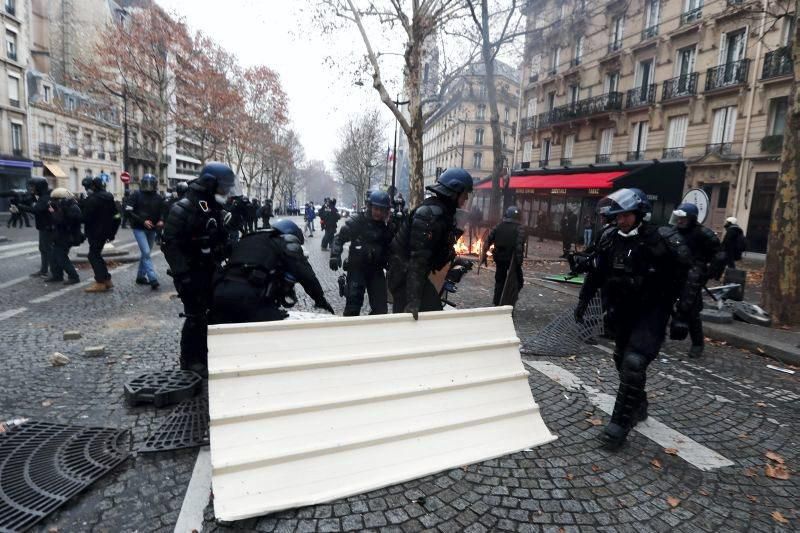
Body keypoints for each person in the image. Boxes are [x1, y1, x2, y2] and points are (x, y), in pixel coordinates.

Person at [574, 188, 696, 449]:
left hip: (653, 312)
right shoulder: (610, 239)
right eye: (617, 217)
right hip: (623, 312)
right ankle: (638, 404)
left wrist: (683, 315)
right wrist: (584, 302)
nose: (621, 221)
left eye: (626, 216)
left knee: (633, 362)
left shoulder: (663, 239)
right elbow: (596, 274)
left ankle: (618, 427)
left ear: (639, 213)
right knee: (622, 360)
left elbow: (689, 275)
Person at [162, 162, 236, 377]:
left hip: (209, 268)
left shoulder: (213, 207)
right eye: (223, 187)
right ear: (210, 184)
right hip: (190, 272)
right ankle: (189, 360)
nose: (226, 192)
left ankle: (204, 353)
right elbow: (169, 243)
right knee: (195, 316)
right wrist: (182, 273)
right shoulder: (184, 207)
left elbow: (220, 238)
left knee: (210, 313)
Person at [210, 219, 333, 324]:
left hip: (220, 294)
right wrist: (320, 299)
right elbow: (305, 274)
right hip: (251, 298)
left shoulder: (248, 238)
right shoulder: (286, 241)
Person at [388, 168, 473, 318]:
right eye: (465, 194)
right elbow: (417, 260)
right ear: (455, 191)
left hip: (414, 275)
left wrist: (456, 261)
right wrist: (413, 300)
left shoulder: (443, 213)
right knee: (405, 323)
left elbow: (436, 252)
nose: (466, 198)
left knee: (432, 316)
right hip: (403, 276)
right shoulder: (429, 215)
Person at [671, 203, 726, 358]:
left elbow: (720, 254)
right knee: (663, 306)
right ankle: (657, 337)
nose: (680, 220)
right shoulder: (674, 232)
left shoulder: (703, 233)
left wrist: (708, 273)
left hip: (692, 278)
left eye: (683, 218)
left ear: (691, 218)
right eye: (679, 217)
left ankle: (697, 344)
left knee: (692, 312)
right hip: (674, 274)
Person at [330, 191, 394, 316]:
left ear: (386, 211)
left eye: (382, 210)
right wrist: (335, 255)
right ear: (370, 207)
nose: (379, 213)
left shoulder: (388, 227)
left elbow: (393, 248)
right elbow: (339, 238)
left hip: (376, 271)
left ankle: (372, 333)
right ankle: (350, 334)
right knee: (352, 309)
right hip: (357, 269)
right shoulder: (357, 221)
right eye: (376, 208)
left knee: (381, 310)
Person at [125, 174, 165, 290]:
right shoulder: (136, 195)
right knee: (147, 252)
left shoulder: (158, 197)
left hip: (152, 229)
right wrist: (143, 221)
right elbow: (128, 211)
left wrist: (161, 220)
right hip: (139, 228)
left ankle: (140, 277)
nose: (148, 186)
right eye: (146, 183)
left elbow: (163, 210)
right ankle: (153, 278)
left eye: (150, 183)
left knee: (145, 253)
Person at [82, 177, 121, 292]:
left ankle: (100, 282)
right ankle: (106, 279)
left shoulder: (92, 199)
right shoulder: (109, 198)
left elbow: (85, 218)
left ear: (93, 187)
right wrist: (112, 233)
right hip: (105, 232)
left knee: (93, 256)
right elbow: (117, 217)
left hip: (95, 232)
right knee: (96, 255)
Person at [485, 206, 525, 306]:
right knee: (518, 281)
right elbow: (519, 246)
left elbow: (488, 240)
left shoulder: (499, 226)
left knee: (500, 280)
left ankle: (497, 301)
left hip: (499, 258)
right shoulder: (519, 228)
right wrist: (519, 262)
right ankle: (508, 301)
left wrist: (484, 254)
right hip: (512, 260)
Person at [15, 177, 53, 278]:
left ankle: (52, 271)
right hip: (44, 226)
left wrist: (20, 207)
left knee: (47, 249)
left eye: (33, 187)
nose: (32, 189)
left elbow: (36, 210)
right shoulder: (42, 196)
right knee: (43, 248)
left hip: (47, 227)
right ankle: (44, 270)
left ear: (39, 187)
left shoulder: (45, 198)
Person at [47, 188, 83, 284]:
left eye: (56, 199)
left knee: (61, 257)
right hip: (61, 236)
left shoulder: (73, 208)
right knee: (53, 256)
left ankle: (74, 276)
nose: (54, 202)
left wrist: (53, 213)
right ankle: (57, 275)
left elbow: (63, 222)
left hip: (67, 237)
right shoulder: (65, 207)